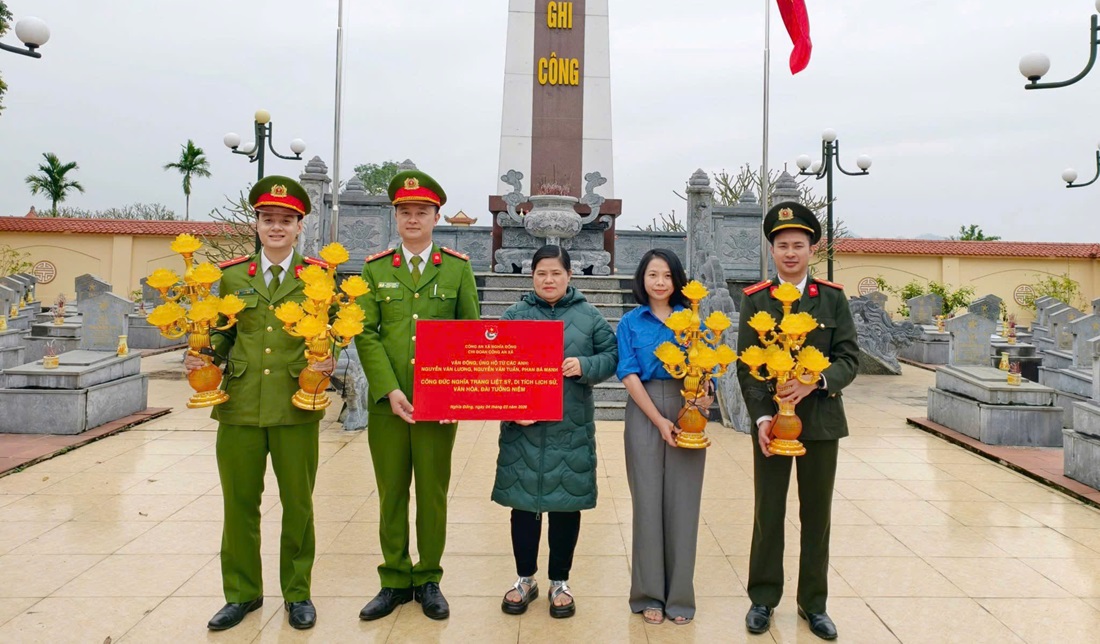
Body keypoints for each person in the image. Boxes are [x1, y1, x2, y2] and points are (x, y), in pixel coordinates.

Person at [188, 175, 333, 631]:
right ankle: (242, 593)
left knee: (298, 504)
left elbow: (332, 333)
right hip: (239, 404)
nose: (276, 228)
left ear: (299, 225)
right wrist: (201, 350)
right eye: (268, 220)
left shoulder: (317, 276)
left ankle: (297, 593)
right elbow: (222, 332)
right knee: (239, 503)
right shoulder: (232, 275)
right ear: (256, 224)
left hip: (296, 404)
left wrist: (331, 356)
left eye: (285, 221)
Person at [354, 169, 480, 621]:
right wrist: (388, 389)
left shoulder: (458, 269)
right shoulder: (374, 269)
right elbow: (365, 334)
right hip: (389, 404)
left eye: (421, 211)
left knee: (431, 492)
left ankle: (428, 578)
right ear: (395, 215)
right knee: (391, 491)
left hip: (437, 405)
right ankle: (393, 578)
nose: (413, 219)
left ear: (435, 216)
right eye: (405, 211)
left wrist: (456, 396)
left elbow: (469, 334)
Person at [735, 202, 859, 641]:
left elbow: (849, 358)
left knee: (816, 514)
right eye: (782, 245)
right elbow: (747, 367)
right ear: (772, 250)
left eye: (799, 245)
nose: (790, 253)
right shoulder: (756, 300)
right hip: (773, 424)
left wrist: (816, 382)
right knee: (768, 510)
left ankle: (814, 603)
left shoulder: (831, 298)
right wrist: (763, 416)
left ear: (812, 249)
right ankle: (763, 598)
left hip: (821, 423)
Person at [492, 245, 618, 619]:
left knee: (566, 505)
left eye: (556, 274)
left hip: (570, 428)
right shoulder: (515, 315)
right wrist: (513, 408)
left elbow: (611, 357)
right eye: (541, 274)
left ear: (569, 276)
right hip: (523, 431)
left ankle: (559, 581)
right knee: (524, 506)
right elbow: (494, 367)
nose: (549, 280)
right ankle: (524, 578)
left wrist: (585, 364)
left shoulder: (589, 316)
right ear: (531, 277)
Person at [615, 248, 711, 625]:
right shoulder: (630, 322)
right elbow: (628, 373)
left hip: (688, 406)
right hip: (645, 409)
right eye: (652, 275)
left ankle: (681, 599)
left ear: (677, 281)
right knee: (647, 502)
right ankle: (648, 594)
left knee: (684, 504)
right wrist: (657, 419)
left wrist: (703, 403)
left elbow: (709, 370)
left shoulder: (694, 322)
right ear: (642, 279)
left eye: (667, 276)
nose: (659, 282)